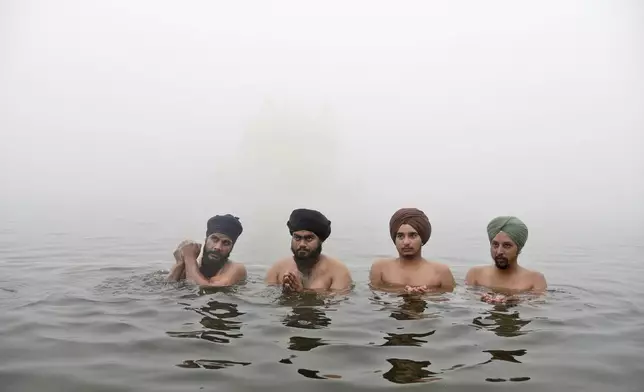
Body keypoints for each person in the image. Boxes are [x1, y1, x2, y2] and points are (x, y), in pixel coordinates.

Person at [265, 208, 352, 293]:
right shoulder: (278, 268)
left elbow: (339, 303)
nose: (302, 244)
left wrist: (302, 293)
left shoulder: (338, 271)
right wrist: (285, 294)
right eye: (297, 238)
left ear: (320, 240)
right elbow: (266, 299)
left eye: (309, 238)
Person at [369, 208, 455, 293]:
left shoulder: (441, 272)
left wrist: (426, 296)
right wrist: (403, 293)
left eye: (413, 235)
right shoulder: (380, 268)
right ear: (394, 239)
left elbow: (448, 302)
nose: (406, 242)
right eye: (400, 236)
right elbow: (374, 300)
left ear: (422, 238)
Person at [465, 216, 547, 300]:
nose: (499, 251)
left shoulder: (534, 279)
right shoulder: (475, 274)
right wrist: (479, 297)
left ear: (519, 248)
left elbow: (537, 307)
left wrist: (515, 301)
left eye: (507, 245)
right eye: (495, 244)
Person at [167, 214, 247, 287]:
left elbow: (206, 287)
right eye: (214, 239)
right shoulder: (193, 266)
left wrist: (189, 257)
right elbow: (167, 288)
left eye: (226, 243)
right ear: (206, 240)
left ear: (231, 247)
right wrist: (180, 264)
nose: (218, 247)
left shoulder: (236, 269)